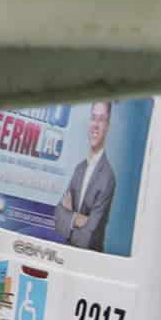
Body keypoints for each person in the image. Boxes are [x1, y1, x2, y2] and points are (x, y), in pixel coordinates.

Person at [53, 101, 116, 251]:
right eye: (93, 118)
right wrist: (77, 219)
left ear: (107, 126)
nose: (95, 125)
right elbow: (58, 216)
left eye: (101, 120)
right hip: (66, 253)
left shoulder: (108, 178)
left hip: (89, 260)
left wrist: (69, 217)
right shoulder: (79, 169)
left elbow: (88, 237)